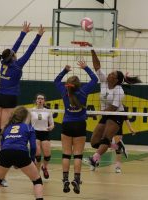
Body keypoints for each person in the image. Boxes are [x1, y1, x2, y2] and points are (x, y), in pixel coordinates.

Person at [0, 21, 45, 168]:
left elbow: (13, 49)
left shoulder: (3, 62)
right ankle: (4, 155)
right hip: (10, 98)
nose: (15, 52)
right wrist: (38, 36)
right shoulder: (17, 65)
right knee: (5, 128)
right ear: (13, 56)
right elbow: (31, 49)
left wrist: (23, 33)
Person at [85, 44, 141, 170]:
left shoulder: (119, 90)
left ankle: (94, 159)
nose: (109, 74)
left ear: (116, 80)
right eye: (110, 73)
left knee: (105, 138)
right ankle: (117, 146)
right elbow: (97, 66)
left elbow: (114, 108)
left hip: (116, 115)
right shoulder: (104, 81)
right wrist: (92, 50)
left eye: (112, 74)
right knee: (94, 142)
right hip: (106, 114)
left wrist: (96, 113)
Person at [54, 60, 98, 194]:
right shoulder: (84, 91)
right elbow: (95, 79)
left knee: (66, 154)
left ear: (68, 85)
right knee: (78, 156)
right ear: (78, 85)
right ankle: (76, 180)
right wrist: (86, 68)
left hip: (67, 124)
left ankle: (65, 179)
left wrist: (65, 70)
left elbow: (56, 81)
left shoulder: (64, 92)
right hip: (79, 125)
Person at [0, 106, 43, 200]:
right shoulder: (29, 127)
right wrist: (32, 159)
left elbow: (2, 145)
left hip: (5, 153)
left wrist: (8, 158)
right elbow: (33, 147)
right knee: (37, 180)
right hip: (21, 153)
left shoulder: (7, 127)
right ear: (26, 117)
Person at [30, 94, 55, 179]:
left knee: (47, 155)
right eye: (38, 98)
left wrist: (50, 127)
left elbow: (52, 124)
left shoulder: (48, 111)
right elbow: (26, 123)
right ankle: (37, 174)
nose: (40, 100)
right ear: (36, 100)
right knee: (38, 155)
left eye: (42, 99)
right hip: (35, 132)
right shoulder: (31, 110)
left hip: (45, 132)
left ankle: (44, 167)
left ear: (44, 101)